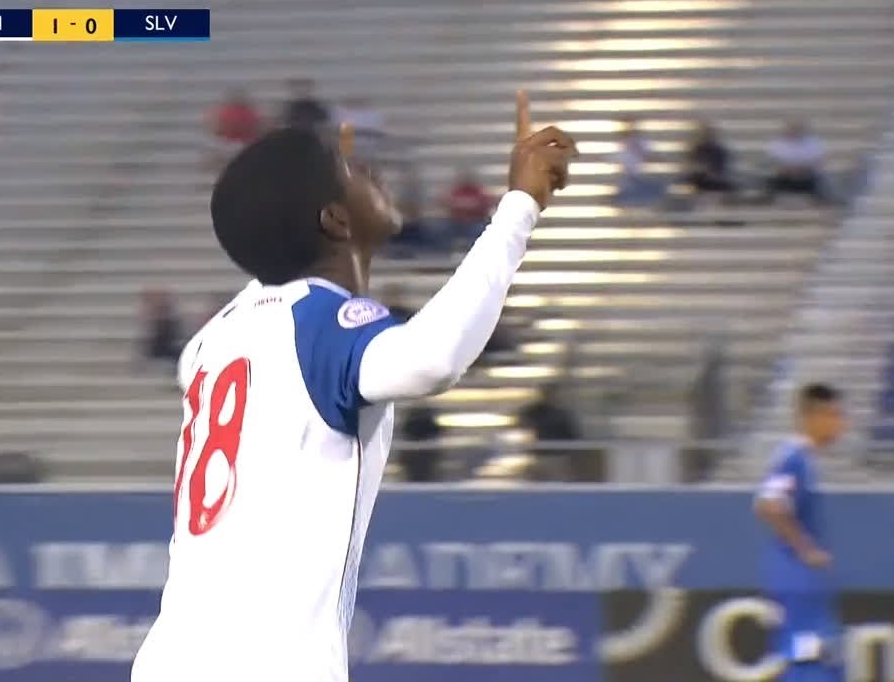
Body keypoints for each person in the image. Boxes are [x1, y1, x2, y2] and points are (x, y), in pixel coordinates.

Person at [130, 92, 576, 682]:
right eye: (352, 172)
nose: (371, 172)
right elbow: (433, 359)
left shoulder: (214, 339)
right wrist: (519, 207)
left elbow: (273, 270)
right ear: (334, 220)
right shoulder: (319, 325)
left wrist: (322, 196)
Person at [754, 383, 845, 682]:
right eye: (834, 415)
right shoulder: (791, 458)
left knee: (820, 655)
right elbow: (768, 504)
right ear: (812, 417)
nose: (841, 424)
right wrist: (806, 550)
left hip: (806, 581)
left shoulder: (804, 460)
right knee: (808, 655)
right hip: (797, 579)